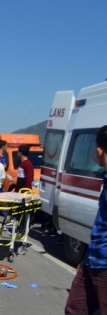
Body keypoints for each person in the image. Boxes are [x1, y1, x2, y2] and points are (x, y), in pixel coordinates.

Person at [64, 125, 107, 314]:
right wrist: (88, 258)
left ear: (98, 151)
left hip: (104, 264)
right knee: (75, 308)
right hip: (93, 259)